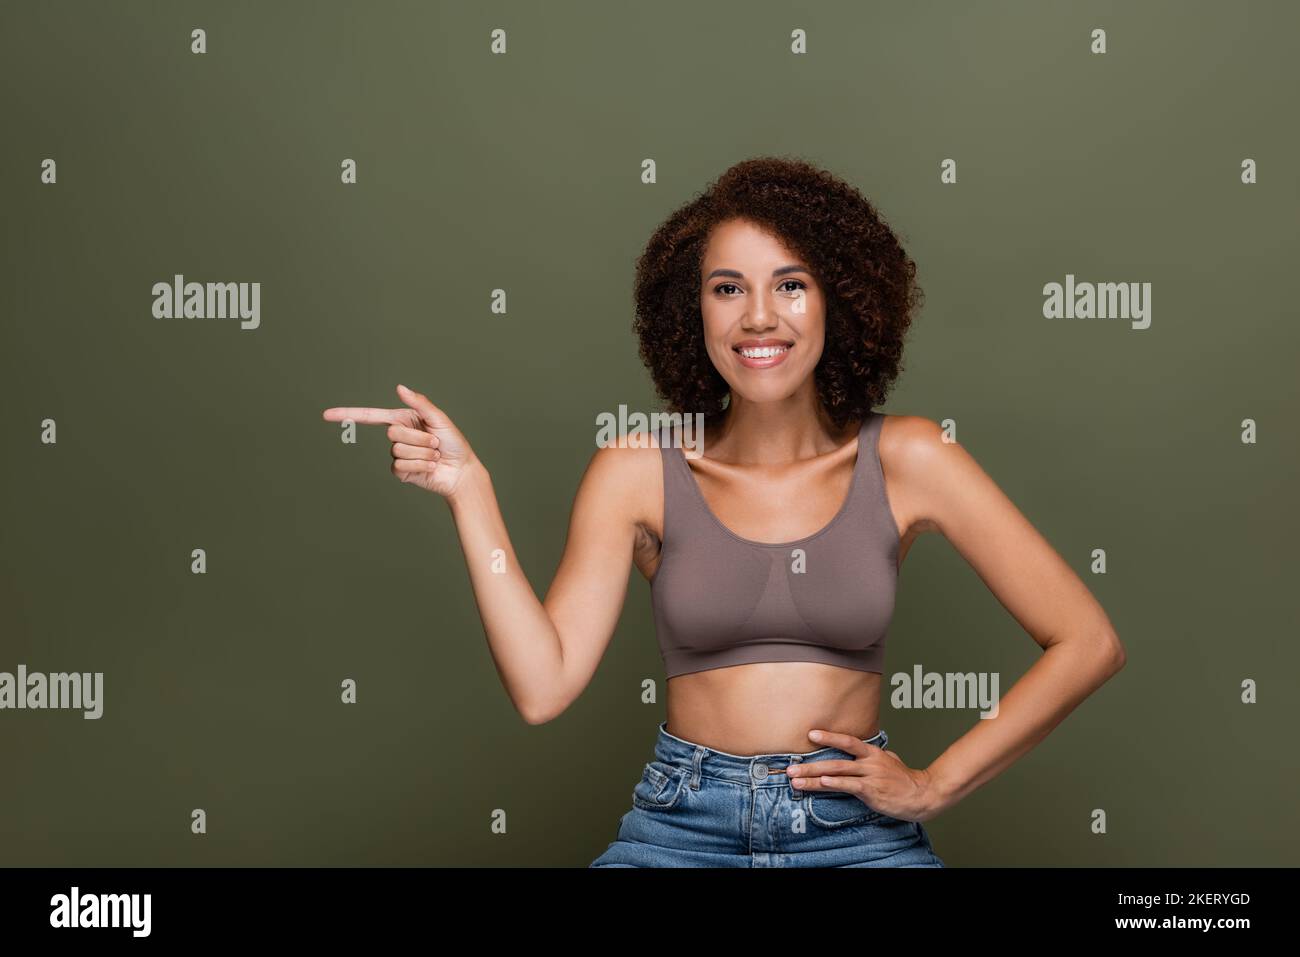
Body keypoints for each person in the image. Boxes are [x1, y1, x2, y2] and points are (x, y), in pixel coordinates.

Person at [322, 156, 1126, 867]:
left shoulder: (910, 457)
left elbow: (1088, 641)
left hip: (855, 836)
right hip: (679, 829)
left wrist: (935, 784)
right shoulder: (635, 468)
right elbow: (543, 686)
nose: (758, 317)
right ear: (692, 311)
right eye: (728, 287)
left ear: (838, 302)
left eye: (791, 284)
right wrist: (472, 493)